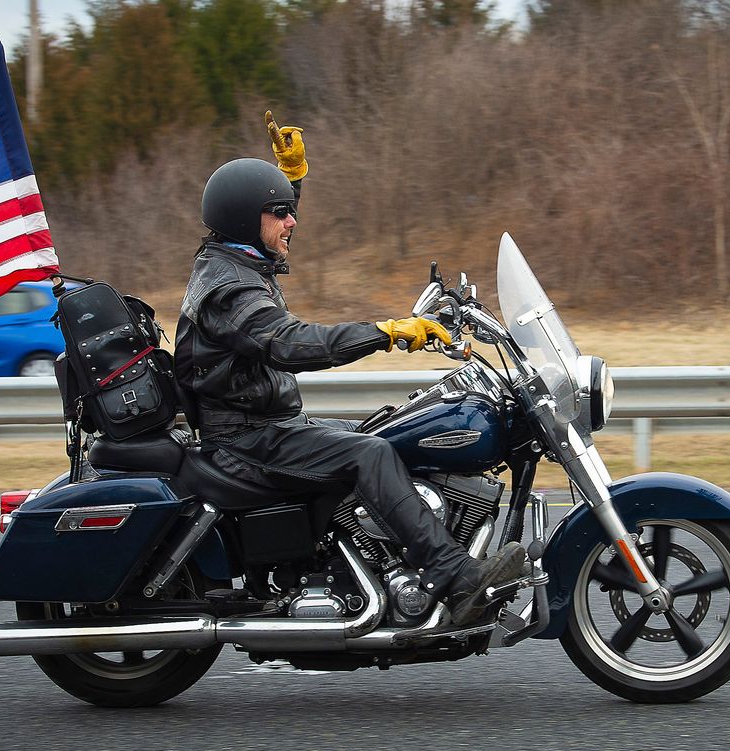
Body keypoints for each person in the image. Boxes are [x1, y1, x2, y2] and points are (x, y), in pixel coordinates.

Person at [175, 111, 526, 626]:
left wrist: (291, 181)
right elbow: (292, 343)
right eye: (280, 212)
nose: (291, 220)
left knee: (384, 431)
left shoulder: (237, 262)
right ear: (247, 220)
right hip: (244, 441)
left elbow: (267, 224)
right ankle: (455, 577)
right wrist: (386, 332)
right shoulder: (229, 289)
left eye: (288, 209)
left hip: (264, 427)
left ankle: (371, 564)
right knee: (370, 454)